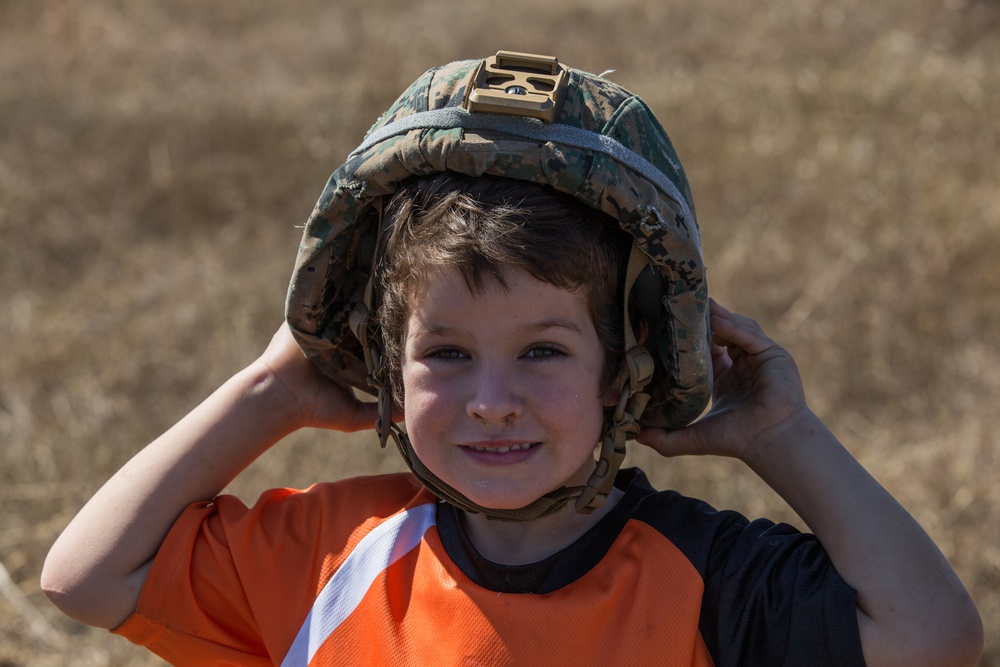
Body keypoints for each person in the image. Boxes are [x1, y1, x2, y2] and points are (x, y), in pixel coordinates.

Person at [42, 51, 982, 666]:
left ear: (624, 370)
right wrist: (266, 392)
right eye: (445, 352)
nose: (492, 401)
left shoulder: (704, 575)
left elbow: (933, 638)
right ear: (387, 369)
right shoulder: (332, 556)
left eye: (542, 350)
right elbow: (85, 576)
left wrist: (783, 435)